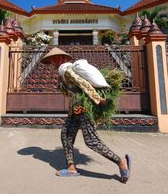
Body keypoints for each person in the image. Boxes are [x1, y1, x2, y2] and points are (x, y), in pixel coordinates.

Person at [40, 47, 131, 183]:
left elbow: (83, 84)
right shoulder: (62, 73)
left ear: (59, 58)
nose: (51, 63)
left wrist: (97, 99)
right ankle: (71, 168)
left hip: (84, 109)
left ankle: (120, 161)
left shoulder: (67, 69)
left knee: (91, 142)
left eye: (52, 60)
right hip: (75, 110)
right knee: (66, 135)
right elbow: (73, 93)